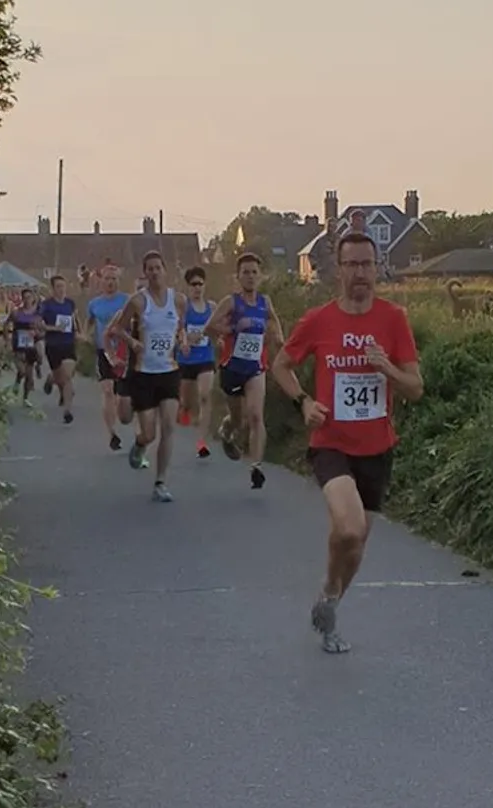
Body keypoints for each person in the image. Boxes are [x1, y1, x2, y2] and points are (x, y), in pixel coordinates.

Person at [270, 229, 422, 653]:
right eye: (352, 264)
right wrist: (303, 402)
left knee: (354, 545)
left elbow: (415, 388)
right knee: (349, 527)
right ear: (339, 271)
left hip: (377, 448)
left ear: (378, 269)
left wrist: (386, 368)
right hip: (331, 441)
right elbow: (281, 366)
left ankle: (330, 599)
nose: (361, 273)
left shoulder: (394, 319)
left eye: (367, 264)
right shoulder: (319, 320)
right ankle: (330, 595)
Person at [103, 251, 187, 501]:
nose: (154, 272)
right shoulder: (137, 302)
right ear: (145, 273)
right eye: (149, 268)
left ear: (165, 270)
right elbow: (117, 328)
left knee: (169, 427)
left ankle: (161, 482)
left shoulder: (179, 300)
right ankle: (140, 445)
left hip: (169, 372)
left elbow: (179, 327)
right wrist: (131, 342)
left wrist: (182, 341)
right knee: (149, 433)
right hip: (144, 373)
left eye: (157, 267)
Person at [207, 252, 285, 491]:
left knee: (255, 416)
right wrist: (230, 329)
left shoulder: (265, 302)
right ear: (238, 277)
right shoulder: (231, 302)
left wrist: (279, 337)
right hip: (232, 367)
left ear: (259, 276)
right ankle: (227, 431)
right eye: (246, 272)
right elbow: (210, 327)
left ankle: (256, 467)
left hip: (255, 367)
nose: (250, 277)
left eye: (254, 272)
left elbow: (273, 319)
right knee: (238, 419)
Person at [84, 263, 134, 452]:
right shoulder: (94, 304)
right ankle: (112, 433)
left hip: (124, 352)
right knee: (107, 390)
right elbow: (89, 322)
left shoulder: (127, 300)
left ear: (118, 281)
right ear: (101, 281)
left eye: (114, 279)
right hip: (103, 351)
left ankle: (125, 416)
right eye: (107, 279)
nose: (111, 282)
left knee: (122, 396)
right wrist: (85, 334)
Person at [176, 264, 216, 459]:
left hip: (206, 358)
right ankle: (184, 409)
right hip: (186, 360)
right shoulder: (184, 308)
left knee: (205, 396)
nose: (197, 288)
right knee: (187, 403)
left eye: (200, 284)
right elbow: (180, 328)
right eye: (193, 284)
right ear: (188, 287)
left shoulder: (212, 308)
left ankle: (202, 442)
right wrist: (183, 342)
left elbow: (218, 328)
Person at [36, 273, 79, 423]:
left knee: (67, 377)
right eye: (58, 287)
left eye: (63, 286)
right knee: (60, 377)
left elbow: (74, 321)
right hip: (53, 345)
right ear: (52, 289)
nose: (62, 289)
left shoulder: (70, 303)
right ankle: (51, 379)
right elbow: (38, 324)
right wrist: (54, 328)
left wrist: (79, 333)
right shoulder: (46, 305)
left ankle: (67, 411)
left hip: (68, 344)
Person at [7, 286, 46, 405]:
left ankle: (25, 398)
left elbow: (42, 330)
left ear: (33, 299)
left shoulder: (36, 315)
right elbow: (6, 324)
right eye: (25, 298)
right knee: (22, 371)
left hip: (30, 346)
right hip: (18, 345)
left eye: (29, 297)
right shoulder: (16, 312)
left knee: (29, 375)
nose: (27, 300)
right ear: (22, 299)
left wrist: (37, 333)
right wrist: (6, 339)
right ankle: (17, 382)